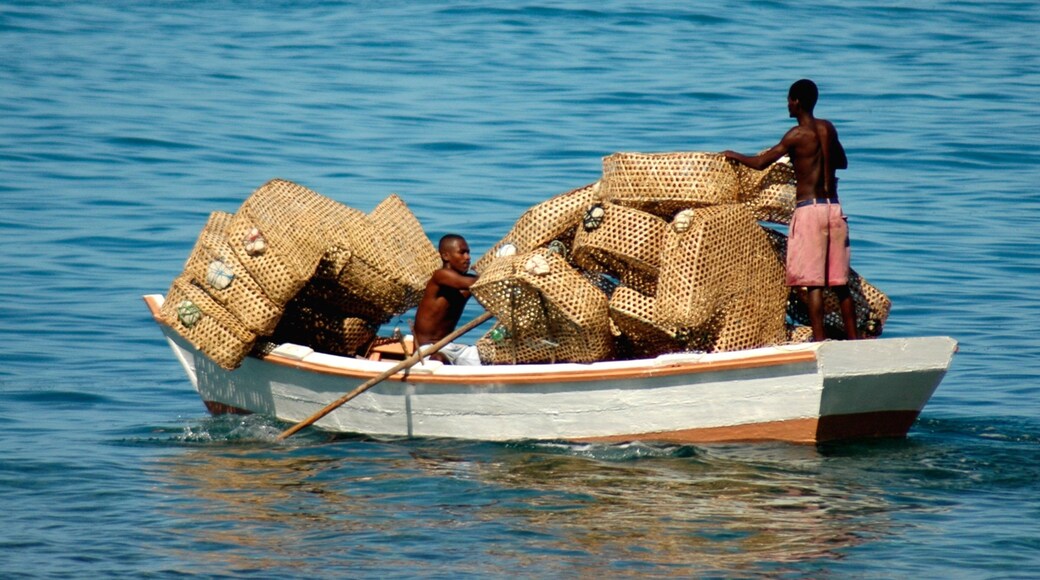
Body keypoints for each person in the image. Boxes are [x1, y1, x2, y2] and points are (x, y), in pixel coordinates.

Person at [723, 79, 858, 341]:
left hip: (809, 211)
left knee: (814, 284)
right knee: (841, 285)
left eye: (789, 100)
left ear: (796, 102)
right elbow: (842, 162)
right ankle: (855, 341)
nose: (787, 104)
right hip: (834, 210)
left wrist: (733, 155)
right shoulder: (828, 129)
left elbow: (761, 162)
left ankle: (819, 343)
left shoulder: (795, 136)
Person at [413, 234, 482, 364]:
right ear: (445, 256)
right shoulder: (440, 276)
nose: (468, 257)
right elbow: (477, 282)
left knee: (489, 356)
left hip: (451, 347)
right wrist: (495, 276)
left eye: (468, 253)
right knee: (438, 359)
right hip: (428, 350)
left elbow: (483, 285)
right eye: (462, 253)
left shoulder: (467, 282)